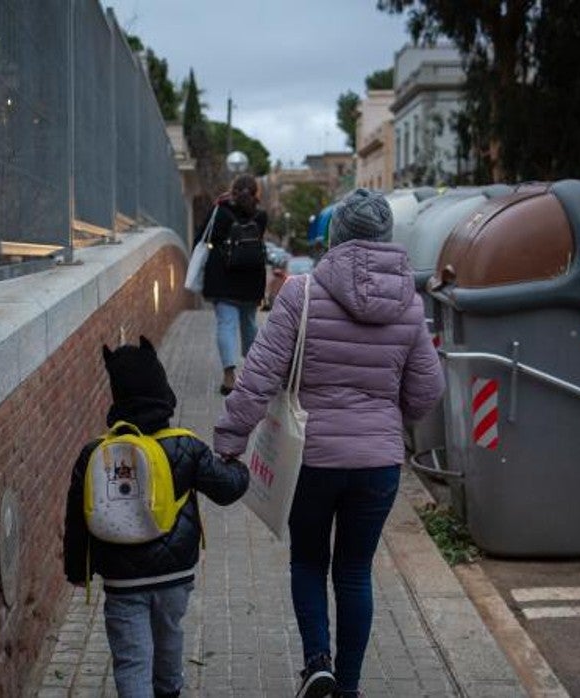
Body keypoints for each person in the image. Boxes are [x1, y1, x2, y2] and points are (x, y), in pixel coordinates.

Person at [213, 189, 445, 698]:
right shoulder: (409, 304)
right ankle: (350, 688)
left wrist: (229, 441)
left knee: (309, 561)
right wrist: (386, 420)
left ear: (335, 236)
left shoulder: (304, 293)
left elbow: (257, 377)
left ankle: (318, 663)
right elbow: (429, 390)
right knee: (356, 572)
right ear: (386, 239)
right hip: (377, 464)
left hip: (312, 458)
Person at [64, 337, 250, 698]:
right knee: (169, 640)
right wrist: (240, 469)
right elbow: (226, 489)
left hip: (122, 581)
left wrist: (78, 571)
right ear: (162, 390)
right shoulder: (185, 445)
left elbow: (76, 520)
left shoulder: (94, 455)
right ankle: (169, 689)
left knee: (132, 660)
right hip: (175, 575)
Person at [196, 174, 269, 395]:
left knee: (226, 324)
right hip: (251, 278)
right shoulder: (261, 216)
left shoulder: (220, 210)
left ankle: (229, 376)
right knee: (248, 322)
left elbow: (203, 237)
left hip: (223, 278)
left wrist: (219, 203)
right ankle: (253, 371)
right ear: (256, 193)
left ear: (232, 191)